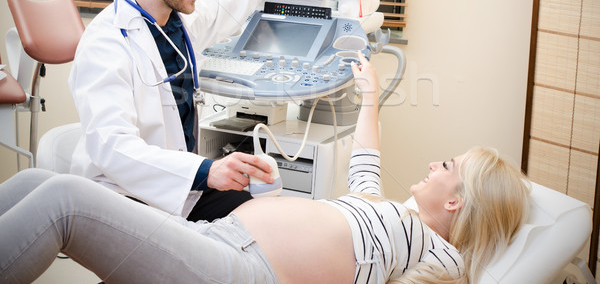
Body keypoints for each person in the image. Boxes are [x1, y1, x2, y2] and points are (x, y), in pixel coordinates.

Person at [0, 53, 529, 284]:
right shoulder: (391, 212)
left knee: (64, 201)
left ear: (458, 201)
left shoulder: (437, 260)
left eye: (449, 166)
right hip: (216, 233)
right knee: (35, 182)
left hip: (239, 270)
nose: (436, 163)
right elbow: (367, 159)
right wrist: (369, 96)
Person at [68, 0, 274, 222]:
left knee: (261, 218)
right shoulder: (105, 43)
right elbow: (112, 148)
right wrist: (208, 171)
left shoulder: (180, 17)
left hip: (178, 189)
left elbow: (227, 2)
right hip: (125, 200)